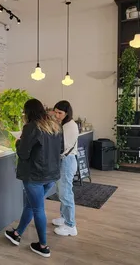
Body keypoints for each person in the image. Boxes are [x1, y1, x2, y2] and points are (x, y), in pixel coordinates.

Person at [4, 99, 62, 258]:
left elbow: (23, 153)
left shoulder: (31, 127)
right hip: (51, 175)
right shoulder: (55, 126)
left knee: (37, 208)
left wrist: (18, 142)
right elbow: (60, 149)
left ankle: (43, 246)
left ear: (28, 112)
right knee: (31, 205)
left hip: (35, 175)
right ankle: (17, 234)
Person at [52, 100, 79, 236]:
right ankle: (64, 217)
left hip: (67, 161)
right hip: (64, 161)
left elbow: (61, 147)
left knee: (66, 193)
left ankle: (70, 225)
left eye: (60, 113)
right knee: (61, 190)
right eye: (55, 112)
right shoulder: (64, 124)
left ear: (66, 113)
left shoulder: (69, 126)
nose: (57, 115)